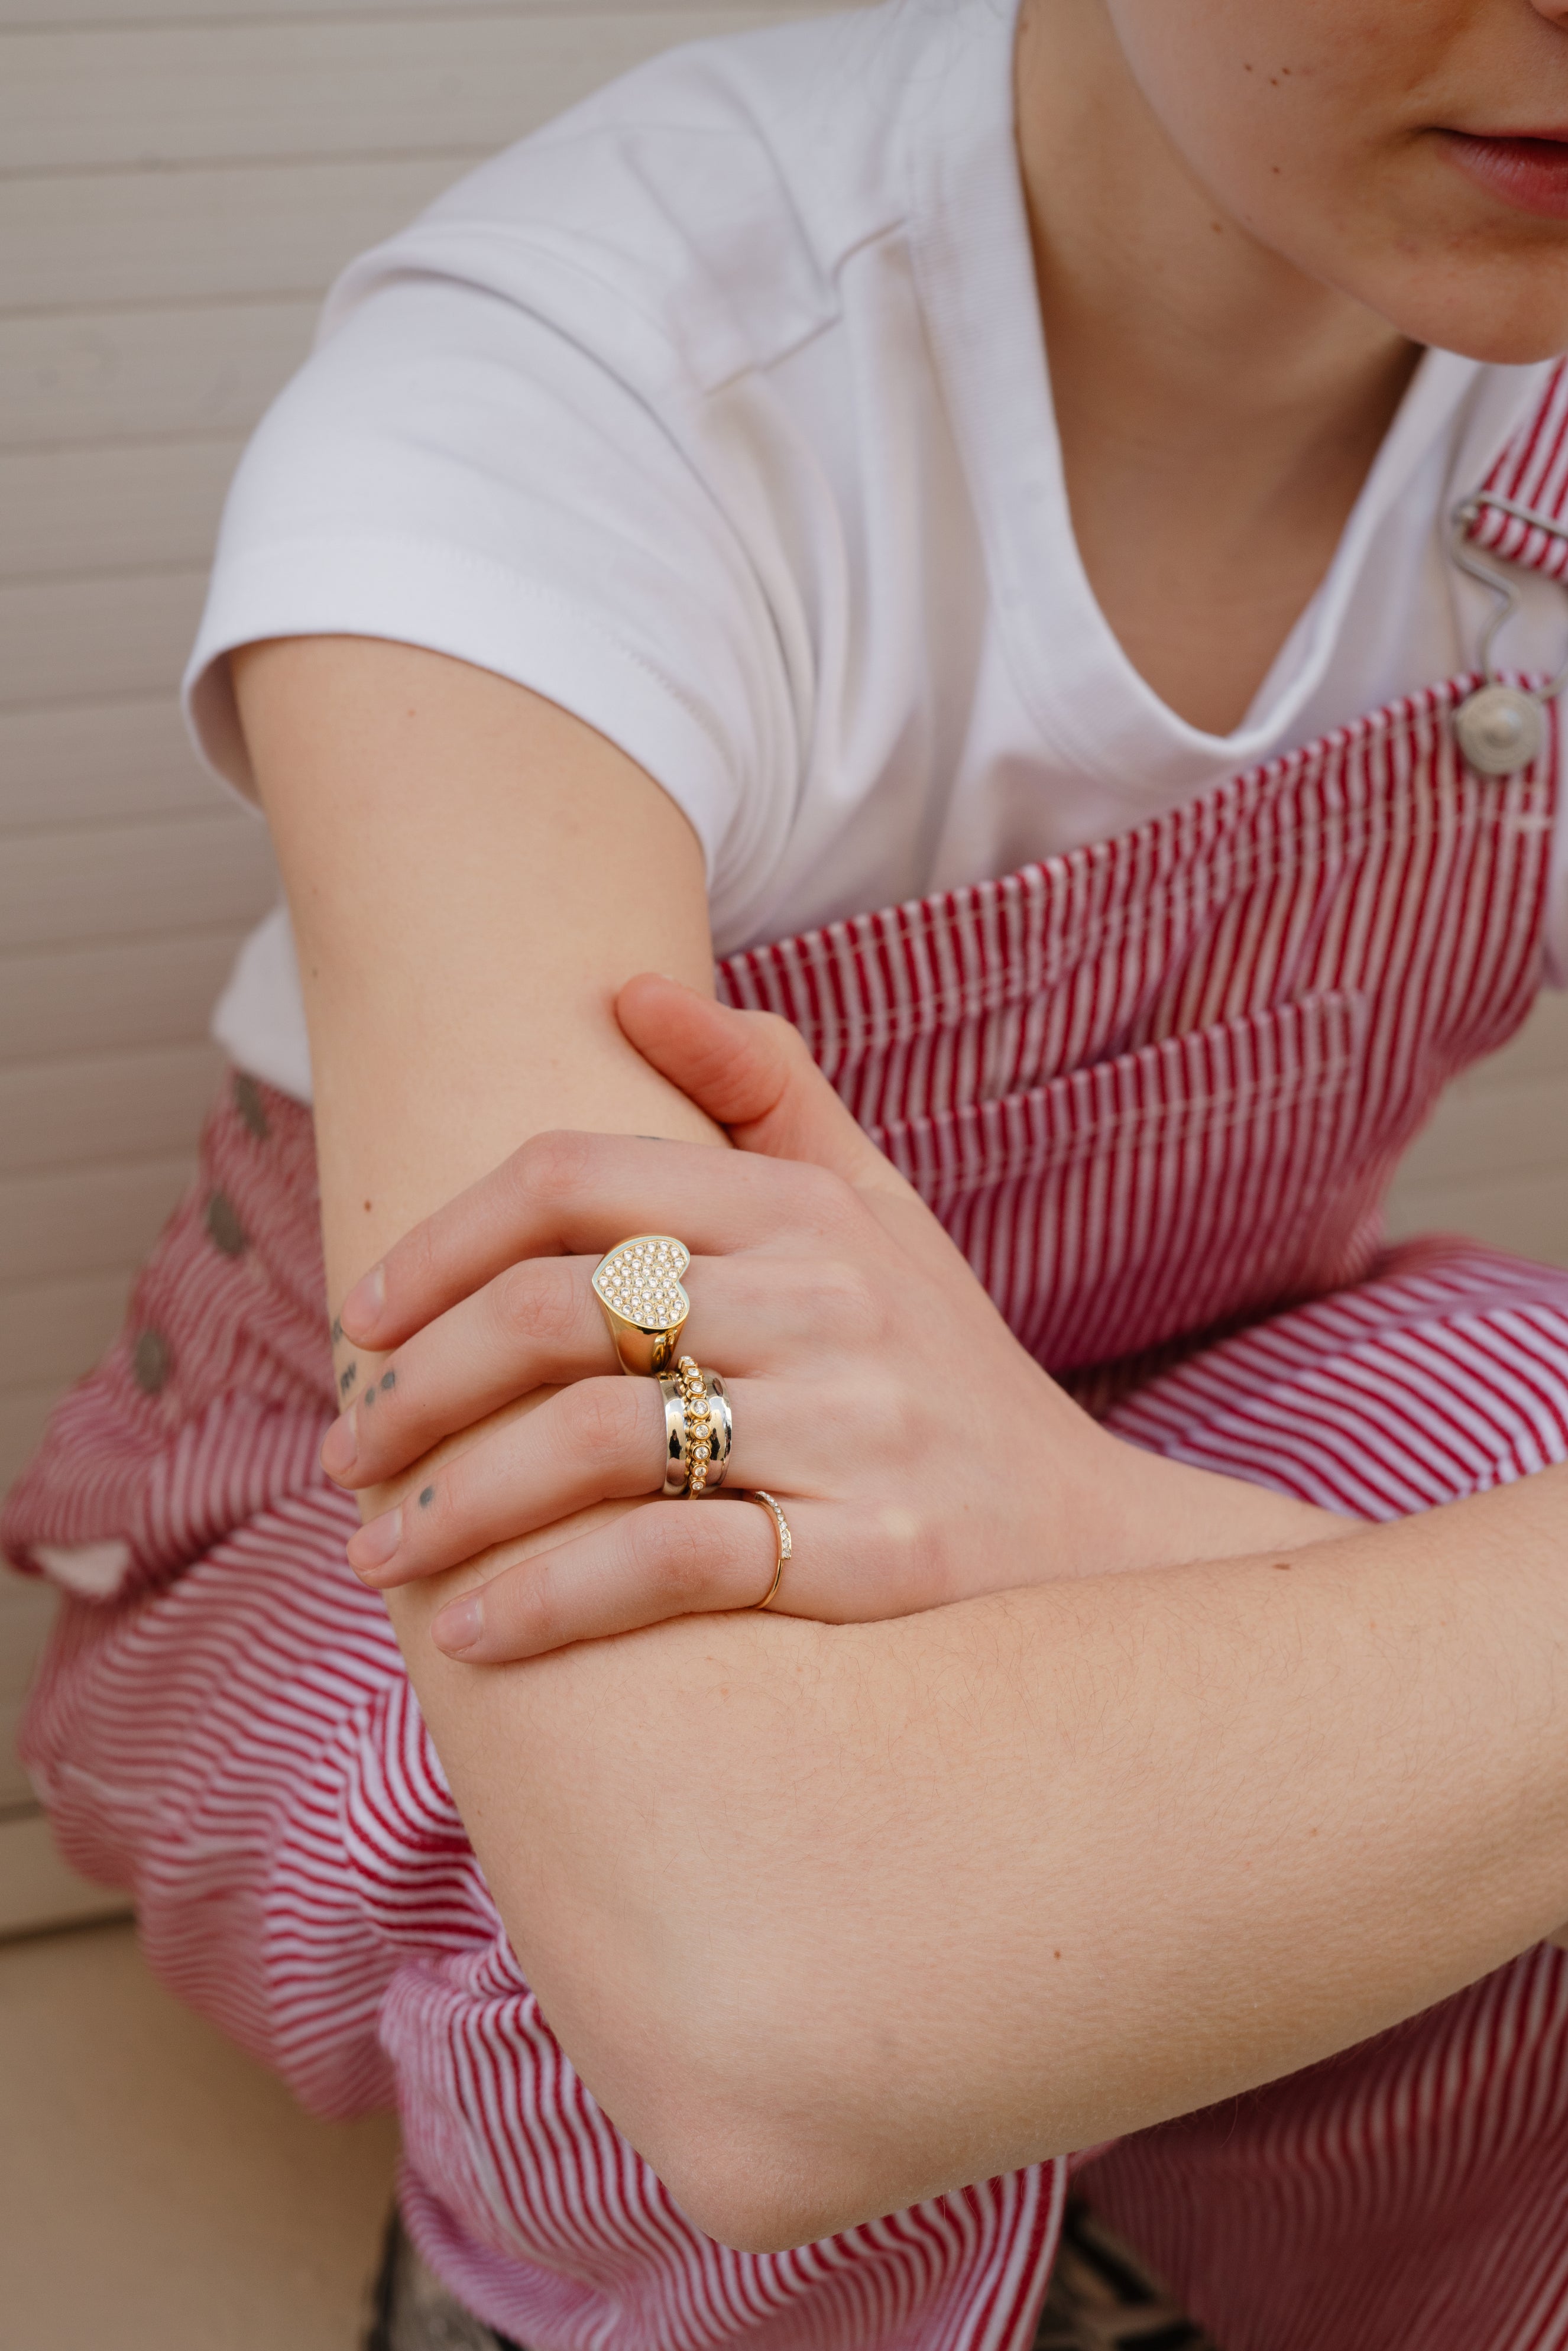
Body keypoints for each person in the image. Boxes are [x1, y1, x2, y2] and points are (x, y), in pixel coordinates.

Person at [7, 0, 1568, 2344]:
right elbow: (755, 1993)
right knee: (670, 1867)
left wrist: (1091, 1514)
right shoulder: (579, 388)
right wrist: (1290, 1612)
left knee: (1511, 1449)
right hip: (383, 1530)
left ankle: (1277, 2250)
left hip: (1143, 1388)